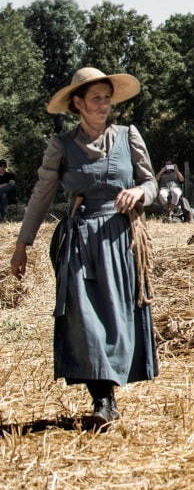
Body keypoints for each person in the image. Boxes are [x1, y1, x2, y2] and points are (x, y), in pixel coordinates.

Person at [9, 68, 159, 427]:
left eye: (108, 98)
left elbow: (151, 183)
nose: (105, 104)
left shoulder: (128, 136)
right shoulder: (61, 146)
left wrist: (139, 192)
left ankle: (113, 386)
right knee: (85, 319)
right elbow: (41, 196)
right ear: (77, 103)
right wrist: (22, 244)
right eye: (96, 98)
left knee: (116, 316)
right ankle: (102, 399)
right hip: (79, 241)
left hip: (122, 239)